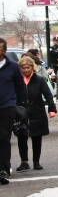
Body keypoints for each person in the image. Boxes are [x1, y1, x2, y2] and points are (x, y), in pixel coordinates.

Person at [14, 56, 55, 171]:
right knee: (21, 138)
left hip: (37, 112)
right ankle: (24, 162)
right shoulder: (17, 80)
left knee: (37, 138)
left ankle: (36, 161)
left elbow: (48, 95)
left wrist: (52, 108)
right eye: (23, 68)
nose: (26, 70)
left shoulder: (40, 79)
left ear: (32, 67)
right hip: (21, 113)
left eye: (28, 67)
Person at [0, 40, 22, 184]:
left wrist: (19, 106)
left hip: (7, 107)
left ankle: (4, 168)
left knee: (3, 138)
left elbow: (20, 87)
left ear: (4, 51)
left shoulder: (13, 67)